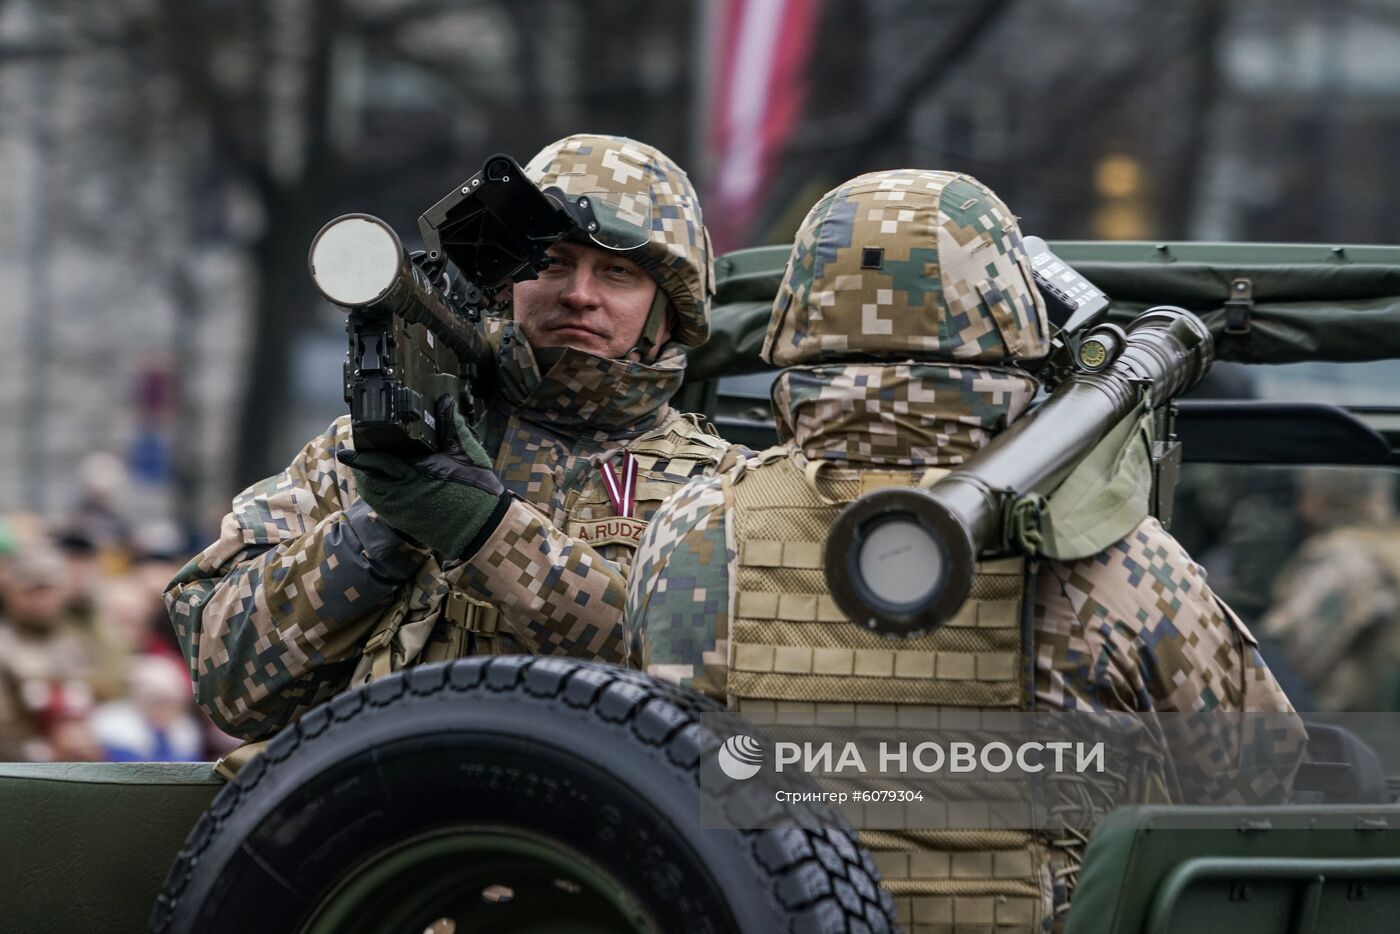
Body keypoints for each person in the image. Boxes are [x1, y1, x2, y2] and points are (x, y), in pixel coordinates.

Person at [624, 169, 1299, 930]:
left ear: (795, 317)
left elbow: (642, 782)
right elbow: (1263, 794)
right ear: (1011, 321)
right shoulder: (1117, 559)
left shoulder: (690, 531)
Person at [168, 134, 740, 743]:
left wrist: (486, 532)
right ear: (507, 284)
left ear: (670, 311)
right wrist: (376, 532)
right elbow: (226, 679)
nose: (579, 293)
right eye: (551, 263)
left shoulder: (724, 490)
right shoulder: (371, 454)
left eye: (617, 272)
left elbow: (724, 693)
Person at [1258, 467, 1400, 711]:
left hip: (1342, 731)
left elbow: (1278, 665)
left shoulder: (1345, 561)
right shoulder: (1388, 547)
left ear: (1319, 497)